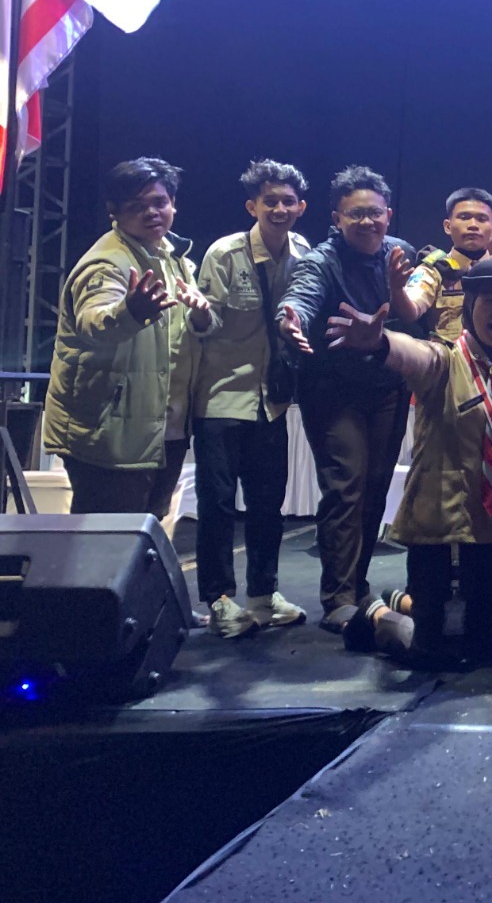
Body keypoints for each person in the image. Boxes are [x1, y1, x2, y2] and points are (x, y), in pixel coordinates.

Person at [326, 259, 492, 668]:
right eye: (490, 301)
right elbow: (414, 355)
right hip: (444, 530)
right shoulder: (444, 363)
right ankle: (378, 615)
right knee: (431, 654)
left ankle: (408, 603)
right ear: (470, 307)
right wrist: (380, 343)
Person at [276, 165, 420, 633]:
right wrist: (292, 319)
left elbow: (416, 312)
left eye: (374, 213)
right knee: (346, 485)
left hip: (387, 388)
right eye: (355, 214)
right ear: (337, 218)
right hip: (332, 391)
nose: (366, 222)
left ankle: (358, 588)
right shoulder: (320, 261)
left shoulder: (401, 254)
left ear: (388, 214)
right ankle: (337, 597)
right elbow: (301, 297)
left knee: (375, 486)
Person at [44, 157, 212, 516]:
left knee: (142, 533)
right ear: (114, 211)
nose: (151, 212)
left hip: (163, 429)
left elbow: (179, 335)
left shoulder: (172, 258)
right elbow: (92, 325)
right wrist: (129, 312)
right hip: (110, 434)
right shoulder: (107, 263)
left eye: (159, 202)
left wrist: (201, 317)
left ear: (173, 203)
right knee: (107, 538)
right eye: (137, 206)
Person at [190, 159, 312, 638]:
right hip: (221, 396)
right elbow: (205, 324)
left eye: (288, 202)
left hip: (271, 402)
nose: (279, 209)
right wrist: (200, 314)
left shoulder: (303, 253)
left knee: (267, 504)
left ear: (301, 207)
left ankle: (263, 594)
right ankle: (220, 600)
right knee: (218, 505)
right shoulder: (225, 253)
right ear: (252, 206)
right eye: (270, 201)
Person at [391, 187, 492, 343]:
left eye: (482, 219)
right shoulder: (433, 271)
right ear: (448, 226)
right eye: (464, 217)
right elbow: (410, 312)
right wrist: (397, 290)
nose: (473, 225)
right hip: (447, 356)